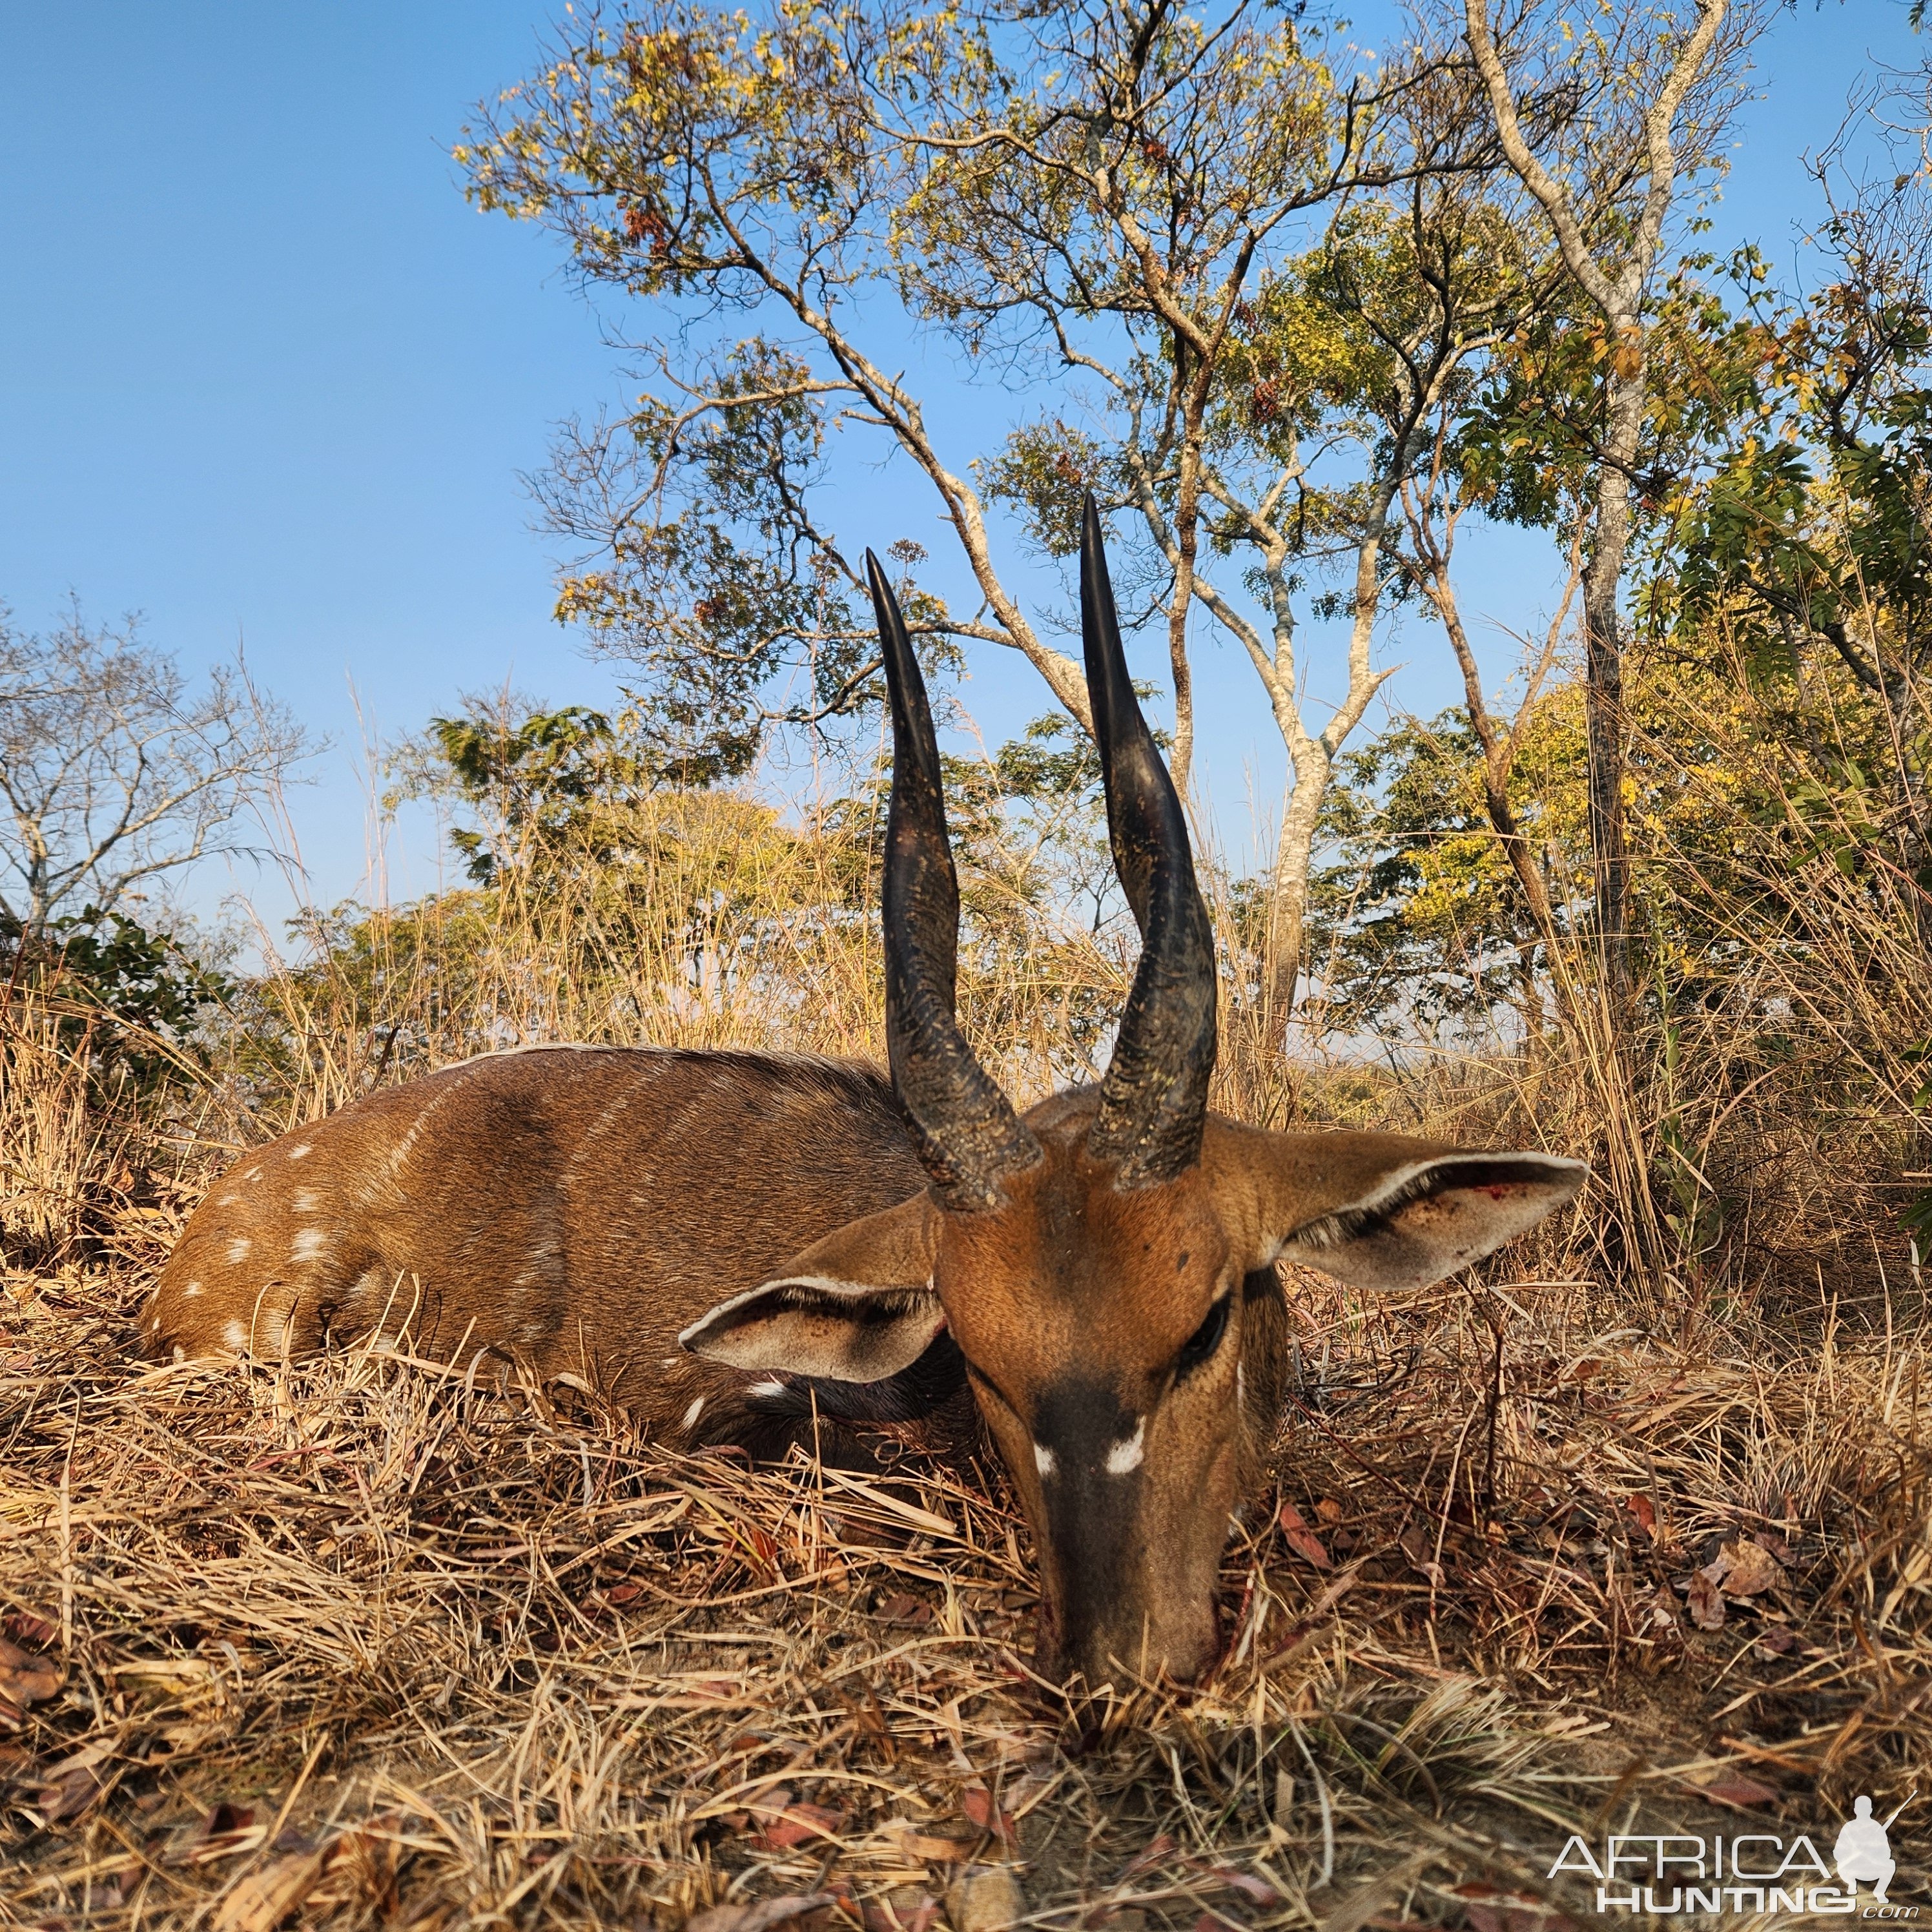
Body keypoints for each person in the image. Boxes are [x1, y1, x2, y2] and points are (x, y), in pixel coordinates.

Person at [1835, 1796, 1896, 1903]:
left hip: (1872, 1868)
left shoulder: (1876, 1827)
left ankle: (1880, 1892)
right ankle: (1852, 1884)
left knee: (1891, 1865)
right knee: (1840, 1865)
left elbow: (1887, 1853)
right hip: (1852, 1869)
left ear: (1870, 1810)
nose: (1863, 1812)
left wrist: (1872, 1853)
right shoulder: (1849, 1827)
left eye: (1866, 1809)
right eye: (1861, 1809)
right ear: (1855, 1810)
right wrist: (1852, 1853)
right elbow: (1838, 1852)